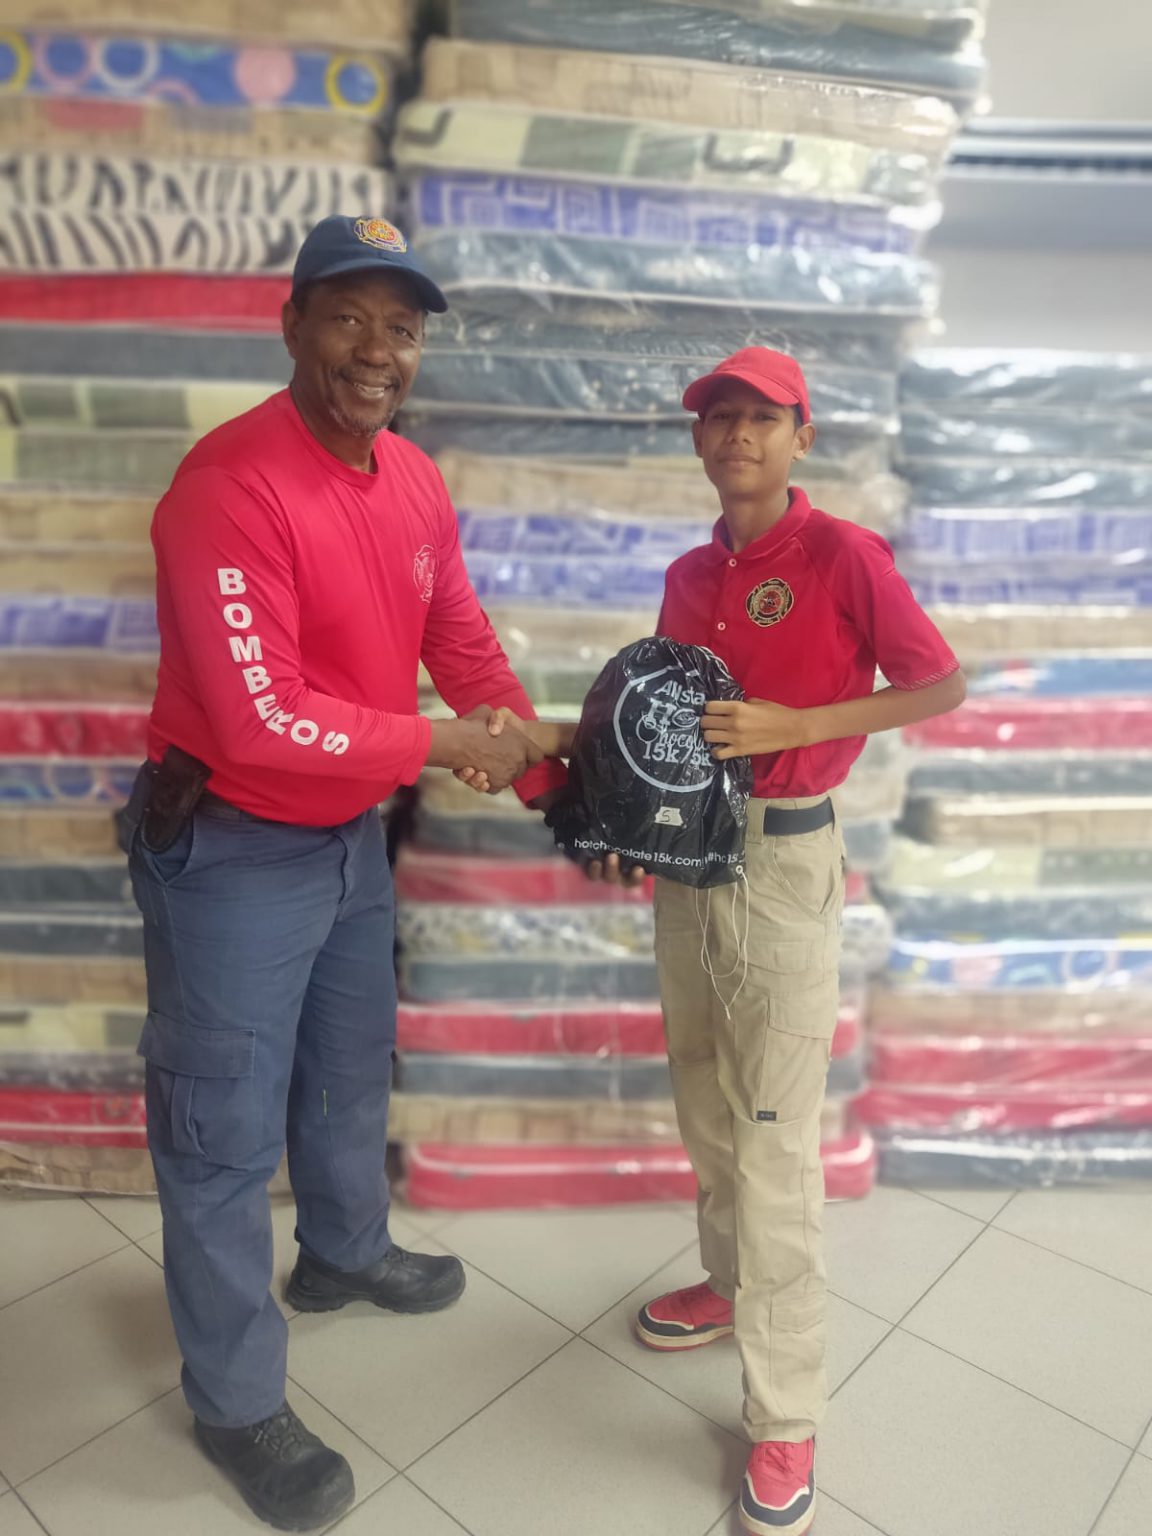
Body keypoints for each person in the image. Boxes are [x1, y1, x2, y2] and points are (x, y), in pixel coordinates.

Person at [471, 348, 965, 1536]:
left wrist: (802, 724)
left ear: (802, 437)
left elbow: (939, 685)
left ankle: (786, 1413)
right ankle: (732, 1282)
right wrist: (573, 771)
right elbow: (655, 730)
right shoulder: (689, 576)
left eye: (762, 417)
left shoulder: (844, 555)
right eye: (718, 418)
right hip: (688, 866)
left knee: (776, 1137)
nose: (738, 434)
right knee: (703, 1091)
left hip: (784, 862)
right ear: (699, 441)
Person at [124, 214, 564, 1532]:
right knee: (219, 1131)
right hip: (233, 845)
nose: (377, 350)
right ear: (293, 325)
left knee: (348, 1062)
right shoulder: (229, 486)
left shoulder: (413, 478)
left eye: (402, 327)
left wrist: (547, 781)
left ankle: (342, 1253)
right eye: (349, 318)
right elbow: (261, 719)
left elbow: (461, 642)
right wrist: (441, 745)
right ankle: (234, 1402)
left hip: (350, 838)